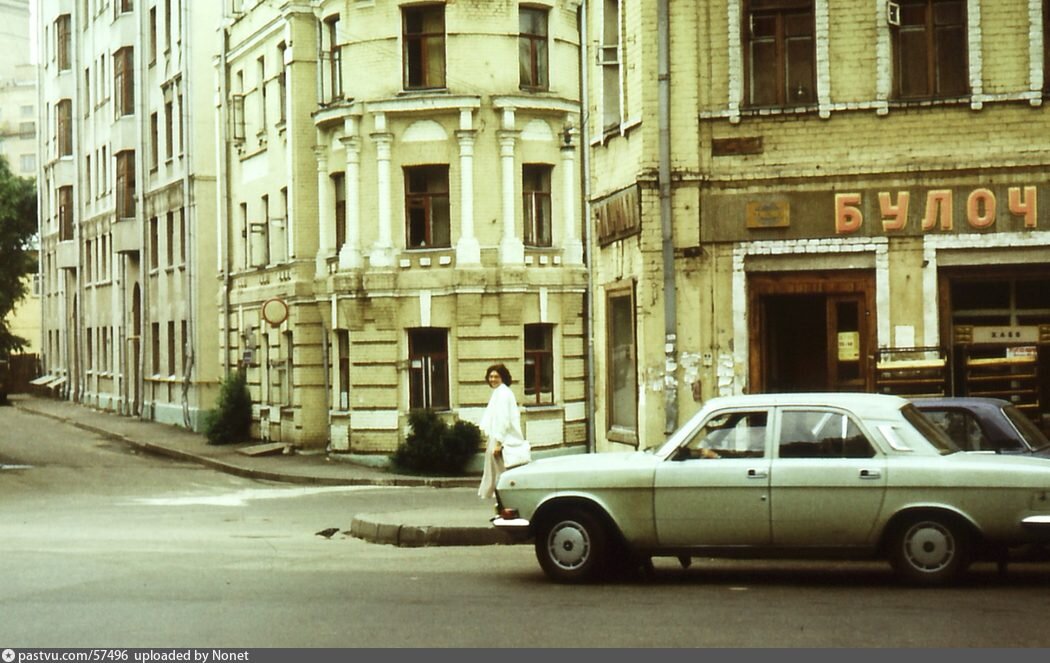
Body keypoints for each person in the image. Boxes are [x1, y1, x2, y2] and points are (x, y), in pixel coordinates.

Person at [477, 363, 525, 500]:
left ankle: (506, 503)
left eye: (496, 376)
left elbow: (503, 420)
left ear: (503, 377)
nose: (492, 379)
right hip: (498, 438)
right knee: (496, 474)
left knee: (501, 475)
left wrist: (498, 443)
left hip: (503, 440)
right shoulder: (499, 392)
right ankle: (502, 502)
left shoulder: (503, 394)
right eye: (490, 376)